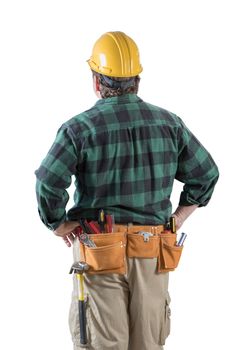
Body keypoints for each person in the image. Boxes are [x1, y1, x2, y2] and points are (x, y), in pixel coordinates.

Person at [35, 31, 219, 350]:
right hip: (153, 249)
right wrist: (178, 218)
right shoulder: (169, 124)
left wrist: (58, 223)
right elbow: (207, 174)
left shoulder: (79, 129)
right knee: (148, 343)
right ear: (137, 80)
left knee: (103, 344)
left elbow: (49, 181)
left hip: (99, 250)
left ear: (96, 81)